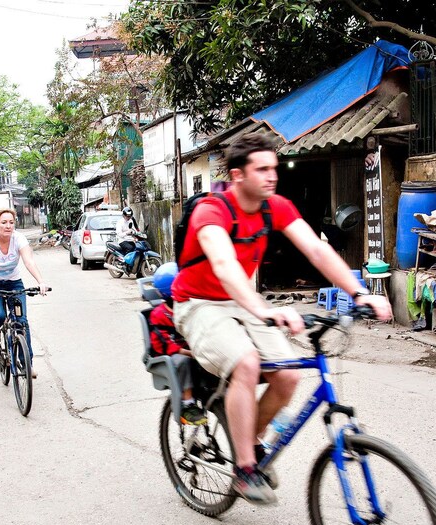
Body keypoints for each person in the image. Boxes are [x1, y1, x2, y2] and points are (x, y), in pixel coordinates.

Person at [172, 133, 392, 505]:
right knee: (246, 362)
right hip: (199, 303)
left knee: (288, 374)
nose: (272, 176)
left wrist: (360, 293)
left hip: (243, 301)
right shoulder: (212, 211)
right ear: (238, 176)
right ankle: (244, 469)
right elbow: (224, 267)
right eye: (262, 170)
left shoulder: (275, 206)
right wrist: (264, 309)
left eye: (274, 168)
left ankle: (251, 444)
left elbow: (316, 251)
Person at [0, 208, 47, 378]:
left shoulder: (19, 239)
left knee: (21, 323)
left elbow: (29, 261)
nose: (8, 226)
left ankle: (26, 364)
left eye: (11, 222)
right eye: (4, 222)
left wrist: (41, 282)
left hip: (14, 282)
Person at [148, 262, 206, 426]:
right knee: (184, 362)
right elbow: (163, 344)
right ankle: (188, 403)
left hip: (190, 349)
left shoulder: (190, 309)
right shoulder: (159, 314)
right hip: (169, 355)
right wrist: (189, 352)